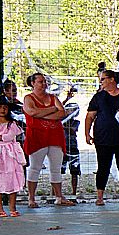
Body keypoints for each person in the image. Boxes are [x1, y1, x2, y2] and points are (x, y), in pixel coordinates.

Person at [21, 73, 72, 208]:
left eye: (45, 81)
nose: (43, 84)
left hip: (55, 136)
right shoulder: (28, 98)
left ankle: (59, 196)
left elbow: (62, 113)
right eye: (40, 81)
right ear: (33, 83)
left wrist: (43, 115)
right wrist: (52, 110)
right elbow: (32, 112)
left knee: (56, 168)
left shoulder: (52, 97)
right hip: (37, 136)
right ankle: (31, 198)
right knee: (34, 167)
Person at [85, 69, 119, 207]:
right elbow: (90, 116)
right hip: (103, 138)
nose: (101, 82)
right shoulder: (98, 97)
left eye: (103, 79)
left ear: (112, 79)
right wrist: (87, 134)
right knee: (103, 167)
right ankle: (100, 197)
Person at [59, 85, 83, 202]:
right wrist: (66, 99)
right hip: (62, 148)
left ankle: (74, 192)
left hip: (73, 148)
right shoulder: (61, 121)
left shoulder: (75, 122)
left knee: (74, 171)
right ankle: (56, 192)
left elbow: (72, 129)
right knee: (59, 170)